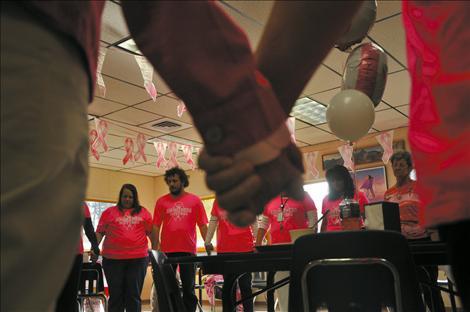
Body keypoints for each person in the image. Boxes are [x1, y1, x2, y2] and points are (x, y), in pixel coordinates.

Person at [384, 151, 446, 312]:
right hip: (400, 244)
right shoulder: (388, 193)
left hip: (422, 241)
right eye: (395, 165)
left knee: (429, 287)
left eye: (401, 165)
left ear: (410, 167)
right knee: (408, 287)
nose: (397, 168)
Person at [152, 167, 209, 312]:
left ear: (183, 181)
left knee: (189, 288)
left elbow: (203, 225)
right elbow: (156, 226)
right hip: (167, 253)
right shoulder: (161, 202)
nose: (171, 184)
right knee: (168, 288)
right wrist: (154, 250)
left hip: (188, 251)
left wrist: (208, 244)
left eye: (175, 181)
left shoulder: (195, 201)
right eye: (169, 181)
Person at [255, 192, 317, 312]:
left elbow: (313, 222)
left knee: (302, 286)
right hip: (277, 250)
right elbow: (263, 224)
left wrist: (310, 243)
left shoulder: (303, 196)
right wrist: (258, 244)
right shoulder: (270, 199)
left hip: (299, 248)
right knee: (282, 289)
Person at [96, 184, 153, 312]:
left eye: (130, 197)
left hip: (138, 259)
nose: (127, 199)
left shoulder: (143, 212)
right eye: (125, 196)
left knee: (133, 294)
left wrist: (155, 252)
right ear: (120, 197)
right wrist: (95, 248)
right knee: (116, 295)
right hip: (112, 260)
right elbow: (100, 232)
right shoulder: (108, 213)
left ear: (135, 198)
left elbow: (152, 233)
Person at [205, 200, 254, 312]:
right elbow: (213, 221)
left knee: (245, 285)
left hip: (245, 249)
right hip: (225, 249)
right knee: (229, 285)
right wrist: (207, 241)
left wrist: (259, 241)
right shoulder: (218, 201)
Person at [56, 202, 100, 312]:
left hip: (74, 255)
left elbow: (89, 229)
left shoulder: (81, 204)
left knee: (71, 295)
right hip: (53, 256)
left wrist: (95, 247)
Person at [320, 165, 369, 233]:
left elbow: (368, 219)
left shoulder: (359, 196)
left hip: (352, 235)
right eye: (332, 181)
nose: (335, 183)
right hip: (331, 237)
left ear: (345, 180)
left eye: (338, 180)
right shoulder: (326, 199)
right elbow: (324, 223)